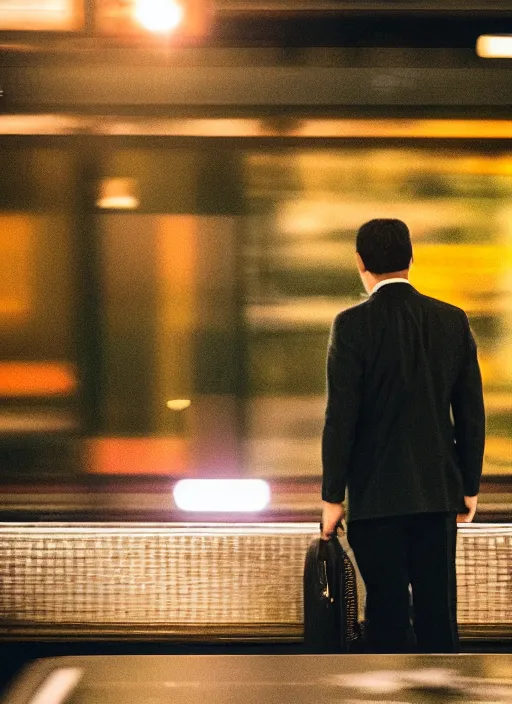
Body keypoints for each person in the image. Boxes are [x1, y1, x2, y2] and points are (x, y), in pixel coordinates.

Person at [321, 218, 485, 654]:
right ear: (411, 259)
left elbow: (341, 418)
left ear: (360, 263)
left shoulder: (350, 325)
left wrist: (332, 497)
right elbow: (471, 414)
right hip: (436, 497)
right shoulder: (452, 321)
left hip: (375, 503)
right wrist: (468, 486)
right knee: (437, 615)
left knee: (387, 616)